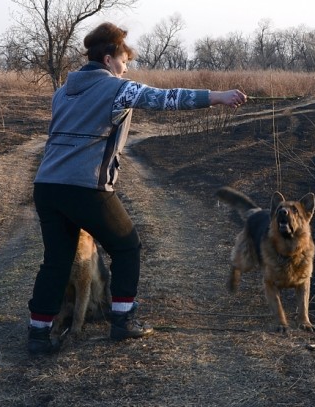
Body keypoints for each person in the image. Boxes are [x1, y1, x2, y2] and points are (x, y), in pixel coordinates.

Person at [27, 22, 247, 355]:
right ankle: (123, 321)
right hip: (85, 186)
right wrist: (218, 97)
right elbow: (166, 99)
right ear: (108, 59)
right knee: (127, 246)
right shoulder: (117, 88)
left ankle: (38, 334)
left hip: (46, 185)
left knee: (55, 261)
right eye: (124, 61)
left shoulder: (63, 92)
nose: (126, 68)